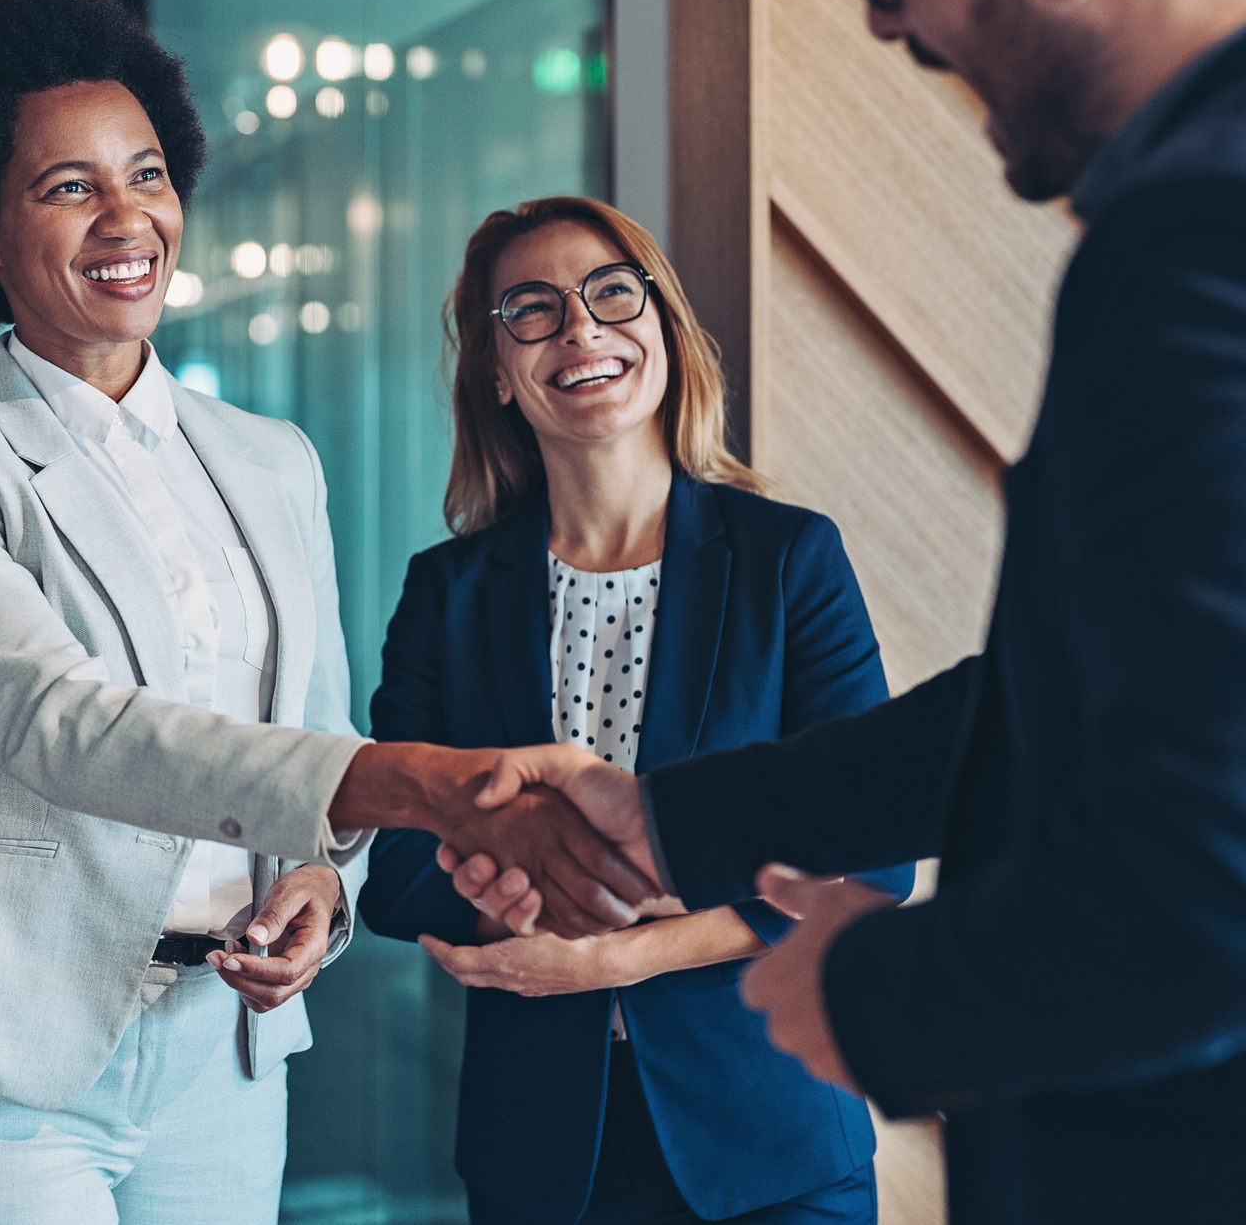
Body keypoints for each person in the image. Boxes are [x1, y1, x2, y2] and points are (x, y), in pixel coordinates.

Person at [451, 0, 1246, 1219]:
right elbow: (1076, 691)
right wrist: (667, 815)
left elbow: (1233, 866)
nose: (890, 20)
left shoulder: (1208, 237)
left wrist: (872, 991)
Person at [0, 0, 665, 1225]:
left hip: (225, 1054)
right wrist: (419, 779)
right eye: (70, 187)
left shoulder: (271, 460)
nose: (127, 220)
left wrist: (324, 892)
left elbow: (313, 742)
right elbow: (67, 725)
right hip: (7, 1056)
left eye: (148, 173)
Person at [361, 196, 911, 1225]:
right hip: (541, 1149)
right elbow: (391, 859)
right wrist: (573, 898)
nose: (580, 330)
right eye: (531, 309)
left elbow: (870, 858)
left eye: (613, 294)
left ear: (662, 326)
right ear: (494, 368)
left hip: (772, 1140)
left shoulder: (788, 560)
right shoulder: (448, 591)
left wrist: (609, 951)